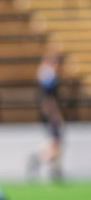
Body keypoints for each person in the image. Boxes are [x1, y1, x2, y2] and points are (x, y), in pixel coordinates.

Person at [28, 50, 65, 181]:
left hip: (49, 115)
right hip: (50, 115)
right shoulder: (48, 77)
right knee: (56, 142)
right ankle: (39, 159)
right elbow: (47, 100)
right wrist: (55, 115)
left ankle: (54, 168)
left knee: (56, 142)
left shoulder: (46, 75)